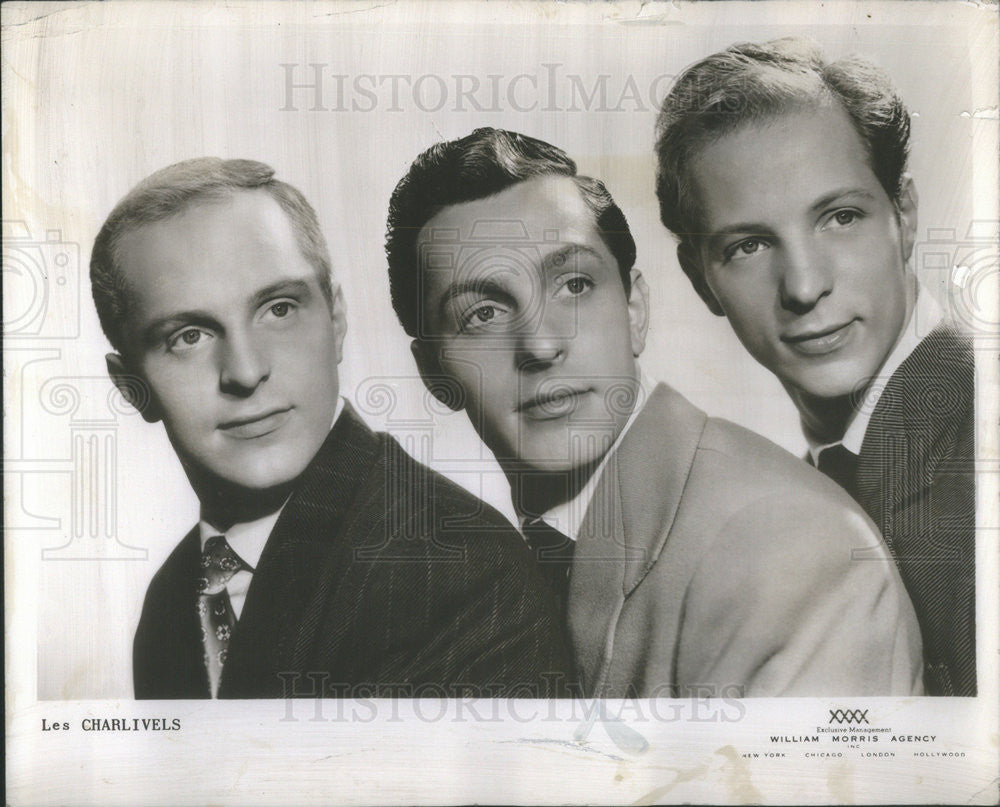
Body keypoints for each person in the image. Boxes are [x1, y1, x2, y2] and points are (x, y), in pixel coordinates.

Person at [385, 127, 923, 698]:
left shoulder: (787, 553)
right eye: (483, 314)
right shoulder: (478, 579)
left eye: (573, 284)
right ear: (434, 374)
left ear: (635, 309)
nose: (540, 345)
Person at [90, 157, 571, 699]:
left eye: (278, 309)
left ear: (336, 320)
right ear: (131, 386)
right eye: (189, 337)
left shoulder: (455, 570)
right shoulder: (173, 597)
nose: (246, 372)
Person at [654, 38, 976, 696]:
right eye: (748, 244)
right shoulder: (802, 493)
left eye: (841, 217)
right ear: (700, 280)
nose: (803, 285)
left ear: (905, 215)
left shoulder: (974, 465)